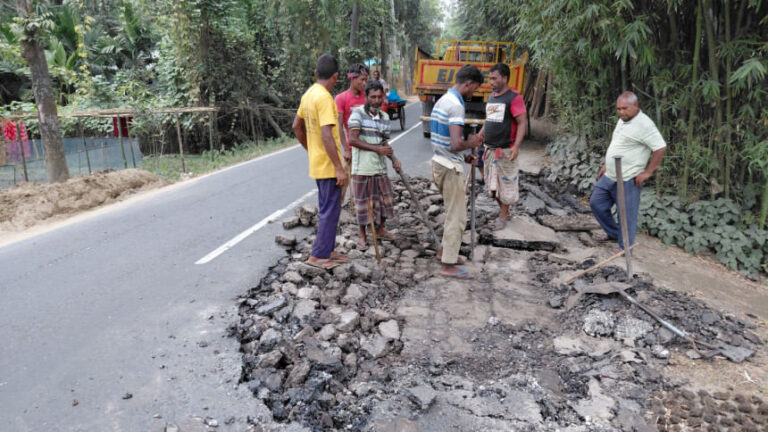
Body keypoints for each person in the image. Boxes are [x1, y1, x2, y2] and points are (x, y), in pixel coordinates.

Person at [292, 54, 349, 269]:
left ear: (316, 73)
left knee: (330, 208)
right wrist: (339, 168)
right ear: (335, 77)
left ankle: (328, 250)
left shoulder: (308, 95)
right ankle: (318, 255)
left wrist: (311, 149)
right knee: (329, 210)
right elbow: (327, 134)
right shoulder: (324, 98)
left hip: (319, 162)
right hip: (328, 165)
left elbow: (296, 126)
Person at [589, 91, 667, 249]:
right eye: (618, 109)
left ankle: (625, 250)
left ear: (635, 106)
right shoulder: (623, 120)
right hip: (611, 175)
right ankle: (614, 234)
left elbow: (660, 147)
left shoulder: (644, 125)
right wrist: (607, 165)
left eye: (625, 108)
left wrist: (648, 172)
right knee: (596, 203)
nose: (621, 112)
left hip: (628, 178)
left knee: (626, 216)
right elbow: (619, 143)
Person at [430, 65, 484, 278]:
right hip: (449, 167)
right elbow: (455, 143)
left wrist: (464, 156)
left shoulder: (442, 100)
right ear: (468, 84)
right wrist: (471, 142)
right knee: (458, 217)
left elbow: (446, 142)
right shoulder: (456, 106)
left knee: (451, 211)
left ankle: (445, 252)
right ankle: (448, 264)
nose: (474, 93)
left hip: (439, 162)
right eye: (475, 88)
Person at [347, 81, 401, 248]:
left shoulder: (384, 117)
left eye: (379, 97)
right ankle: (362, 236)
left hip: (380, 167)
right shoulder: (357, 115)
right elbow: (352, 140)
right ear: (366, 97)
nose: (376, 101)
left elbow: (384, 143)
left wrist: (394, 159)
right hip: (362, 168)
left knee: (386, 200)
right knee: (363, 204)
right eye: (373, 97)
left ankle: (380, 230)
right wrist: (376, 149)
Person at [478, 63, 527, 230]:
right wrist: (481, 133)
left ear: (505, 78)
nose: (491, 82)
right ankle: (502, 210)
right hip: (489, 148)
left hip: (505, 149)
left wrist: (516, 147)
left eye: (494, 78)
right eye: (490, 78)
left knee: (505, 184)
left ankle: (504, 214)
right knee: (491, 182)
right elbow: (489, 119)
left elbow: (522, 123)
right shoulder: (492, 97)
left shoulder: (514, 98)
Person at [335, 63, 369, 162]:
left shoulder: (368, 97)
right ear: (352, 78)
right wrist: (346, 149)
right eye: (362, 80)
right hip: (353, 150)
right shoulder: (341, 98)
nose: (364, 83)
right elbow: (339, 127)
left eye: (366, 80)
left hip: (370, 148)